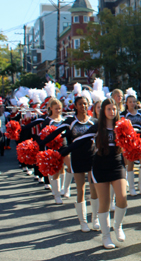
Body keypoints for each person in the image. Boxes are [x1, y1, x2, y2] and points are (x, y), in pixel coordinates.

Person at [65, 98, 128, 249]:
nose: (112, 112)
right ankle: (106, 237)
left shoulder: (122, 125)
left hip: (117, 165)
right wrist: (61, 152)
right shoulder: (96, 127)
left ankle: (118, 226)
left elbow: (139, 134)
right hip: (100, 166)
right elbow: (79, 141)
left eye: (114, 109)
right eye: (108, 109)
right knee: (104, 202)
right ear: (102, 111)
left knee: (122, 199)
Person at [44, 96, 100, 231]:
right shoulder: (70, 121)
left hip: (91, 157)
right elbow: (56, 133)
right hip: (77, 157)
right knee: (80, 190)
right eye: (80, 104)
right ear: (75, 106)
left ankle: (95, 219)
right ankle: (83, 222)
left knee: (94, 189)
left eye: (85, 104)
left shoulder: (94, 121)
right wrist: (41, 143)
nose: (83, 106)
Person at [122, 89, 141, 196]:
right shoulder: (123, 115)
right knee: (129, 163)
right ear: (126, 103)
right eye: (130, 102)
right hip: (128, 141)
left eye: (134, 101)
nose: (132, 103)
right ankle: (131, 187)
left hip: (139, 140)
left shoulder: (140, 114)